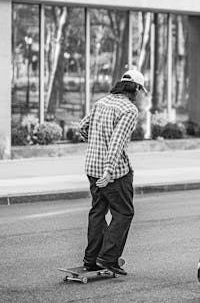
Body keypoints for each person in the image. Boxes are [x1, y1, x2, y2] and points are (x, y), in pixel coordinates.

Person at [78, 69, 147, 275]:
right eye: (141, 91)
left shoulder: (102, 102)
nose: (141, 95)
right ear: (135, 88)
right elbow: (117, 143)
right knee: (124, 213)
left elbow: (83, 127)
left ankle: (91, 260)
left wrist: (96, 145)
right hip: (114, 173)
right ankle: (107, 258)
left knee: (98, 211)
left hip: (91, 167)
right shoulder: (128, 109)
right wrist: (108, 170)